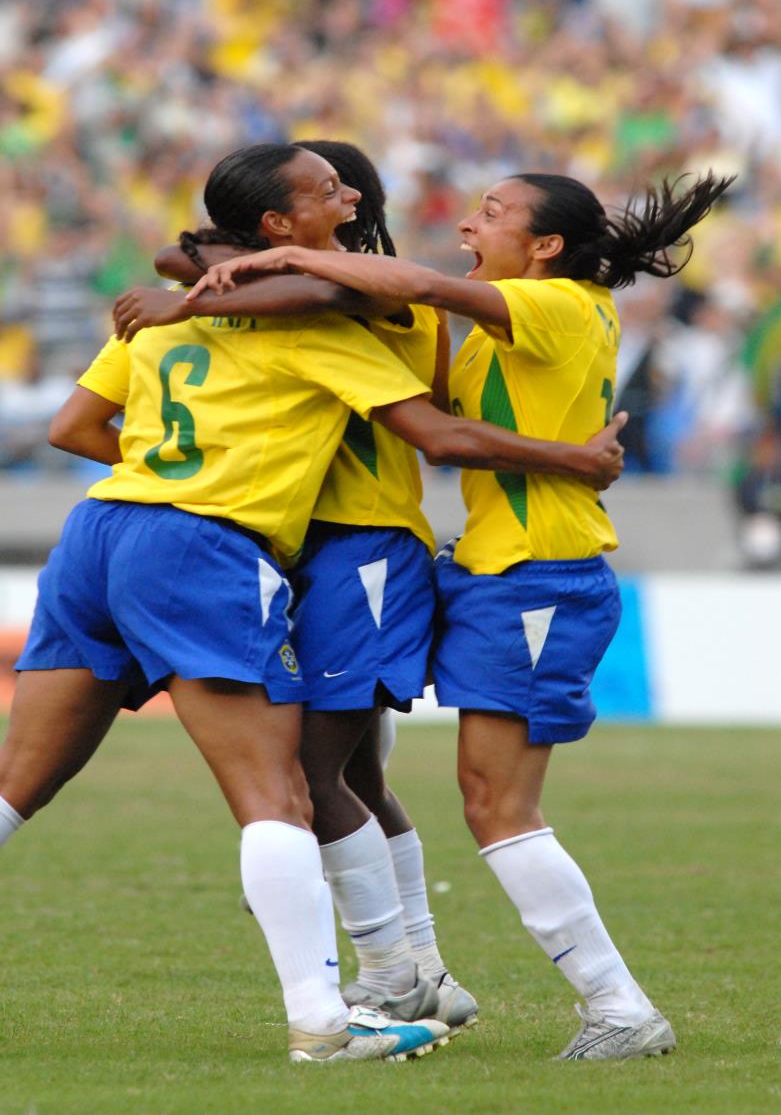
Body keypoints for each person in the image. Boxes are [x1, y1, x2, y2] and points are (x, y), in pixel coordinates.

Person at [0, 142, 626, 1065]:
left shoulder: (297, 302)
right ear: (274, 226)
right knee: (299, 786)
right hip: (252, 546)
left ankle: (403, 970)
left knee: (321, 779)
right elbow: (439, 432)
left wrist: (175, 438)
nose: (354, 193)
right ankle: (368, 991)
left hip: (128, 533)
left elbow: (75, 422)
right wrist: (576, 457)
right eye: (328, 185)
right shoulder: (333, 321)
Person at [186, 168, 735, 1059]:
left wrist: (283, 251)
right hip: (490, 573)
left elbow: (419, 285)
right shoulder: (499, 327)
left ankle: (619, 1008)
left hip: (539, 578)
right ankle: (413, 969)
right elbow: (444, 424)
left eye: (493, 211)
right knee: (458, 792)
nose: (469, 220)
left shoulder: (557, 303)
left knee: (497, 805)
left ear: (546, 244)